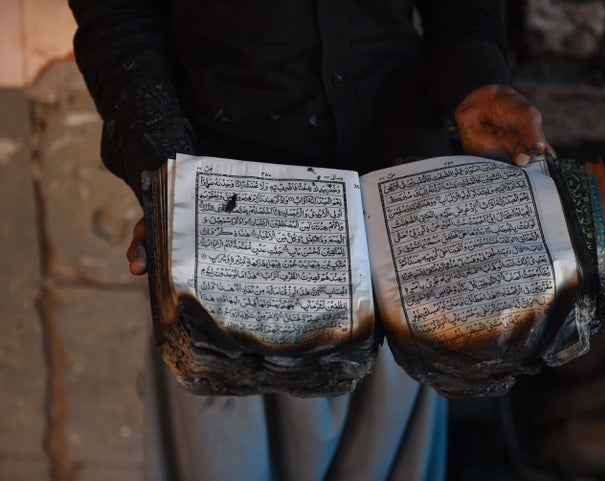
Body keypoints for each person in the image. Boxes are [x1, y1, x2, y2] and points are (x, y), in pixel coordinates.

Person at [70, 1, 554, 479]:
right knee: (227, 450)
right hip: (229, 218)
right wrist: (167, 174)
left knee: (385, 452)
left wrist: (478, 79)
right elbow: (116, 14)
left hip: (400, 214)